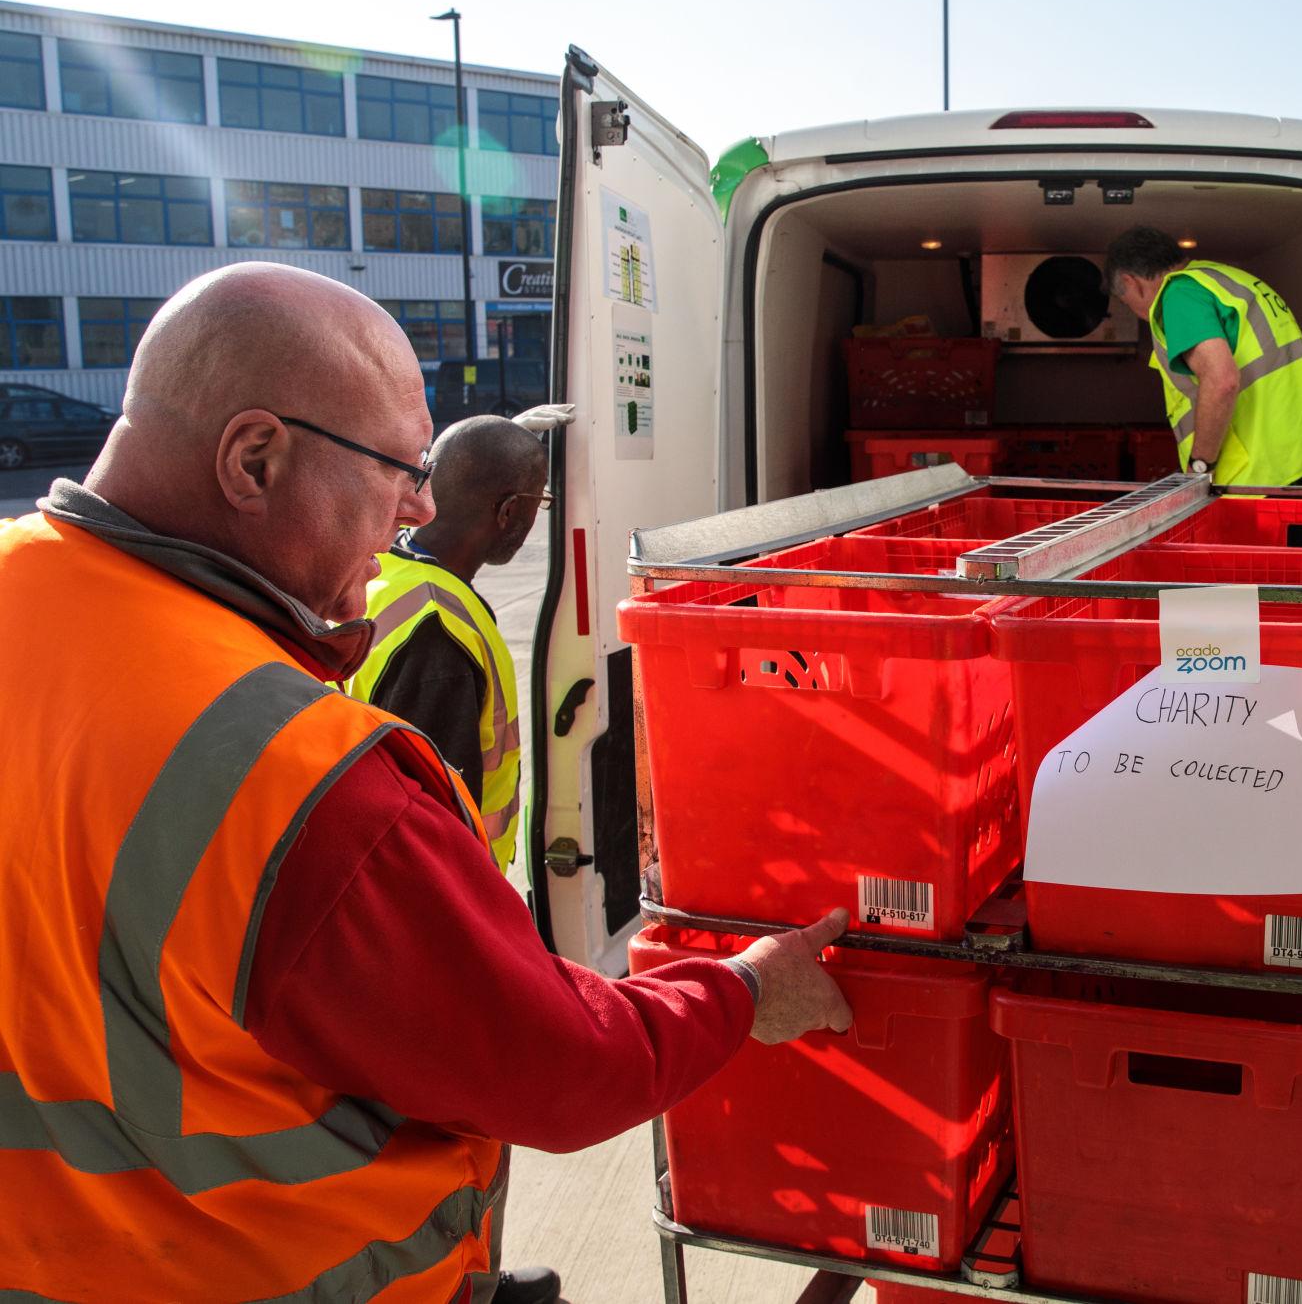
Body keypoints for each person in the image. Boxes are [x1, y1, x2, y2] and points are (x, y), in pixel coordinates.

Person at [0, 263, 852, 1304]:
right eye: (397, 467)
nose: (415, 502)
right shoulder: (296, 781)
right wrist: (747, 989)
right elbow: (560, 1073)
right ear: (254, 458)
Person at [345, 411, 567, 875]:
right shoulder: (439, 634)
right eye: (537, 503)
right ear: (508, 512)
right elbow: (434, 838)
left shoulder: (383, 568)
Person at [1103, 225, 1302, 486]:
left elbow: (1222, 381)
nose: (1135, 311)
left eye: (1126, 301)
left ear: (1131, 282)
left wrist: (1200, 466)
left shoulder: (1179, 294)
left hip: (1259, 476)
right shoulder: (1229, 280)